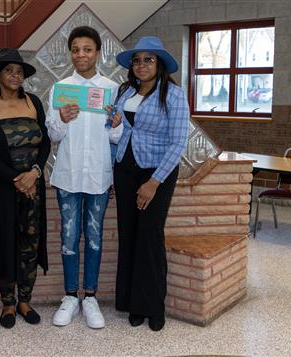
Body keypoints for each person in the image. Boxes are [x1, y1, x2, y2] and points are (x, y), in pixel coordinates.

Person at [46, 26, 123, 329]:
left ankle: (90, 296)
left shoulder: (111, 89)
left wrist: (116, 124)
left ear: (97, 52)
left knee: (93, 238)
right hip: (67, 176)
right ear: (71, 53)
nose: (81, 55)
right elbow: (52, 134)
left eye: (87, 49)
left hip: (99, 179)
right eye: (76, 49)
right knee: (68, 237)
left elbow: (115, 136)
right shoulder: (60, 88)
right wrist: (62, 120)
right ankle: (70, 296)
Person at [112, 36, 189, 331]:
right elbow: (118, 126)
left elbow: (177, 142)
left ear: (160, 64)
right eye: (137, 59)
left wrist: (154, 182)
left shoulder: (174, 94)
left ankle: (153, 306)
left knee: (150, 236)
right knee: (129, 234)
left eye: (149, 59)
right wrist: (114, 121)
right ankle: (133, 304)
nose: (142, 64)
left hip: (157, 172)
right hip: (125, 168)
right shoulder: (126, 90)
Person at [0, 48, 50, 329]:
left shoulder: (34, 102)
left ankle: (25, 301)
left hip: (34, 187)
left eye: (19, 71)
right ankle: (7, 303)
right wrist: (16, 179)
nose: (15, 76)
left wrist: (35, 173)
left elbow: (46, 142)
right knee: (5, 242)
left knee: (30, 243)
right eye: (9, 71)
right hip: (3, 189)